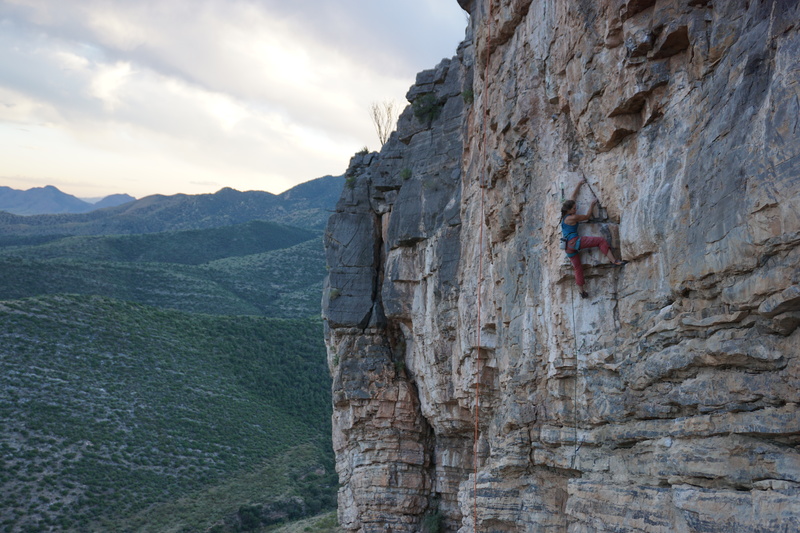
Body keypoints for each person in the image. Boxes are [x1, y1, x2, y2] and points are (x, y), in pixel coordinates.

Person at [561, 179, 626, 298]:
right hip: (575, 242)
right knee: (600, 241)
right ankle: (614, 261)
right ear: (570, 210)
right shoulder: (572, 218)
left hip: (568, 247)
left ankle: (581, 291)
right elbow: (586, 216)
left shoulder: (565, 215)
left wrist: (579, 184)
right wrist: (592, 205)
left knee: (578, 268)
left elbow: (573, 196)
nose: (576, 209)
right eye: (574, 208)